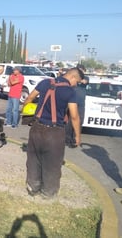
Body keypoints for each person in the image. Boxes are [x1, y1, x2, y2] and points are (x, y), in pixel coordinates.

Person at [23, 68, 84, 199]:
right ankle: (48, 192)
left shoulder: (45, 82)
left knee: (34, 159)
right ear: (73, 77)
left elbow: (29, 98)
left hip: (37, 128)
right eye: (77, 82)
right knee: (52, 163)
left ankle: (32, 187)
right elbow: (74, 116)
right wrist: (78, 136)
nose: (75, 85)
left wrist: (26, 111)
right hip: (55, 132)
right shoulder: (70, 92)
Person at [65, 64, 89, 148]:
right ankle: (67, 139)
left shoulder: (85, 78)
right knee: (69, 121)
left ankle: (75, 139)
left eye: (82, 71)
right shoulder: (72, 79)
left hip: (81, 103)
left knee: (79, 120)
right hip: (71, 102)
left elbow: (85, 81)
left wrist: (79, 79)